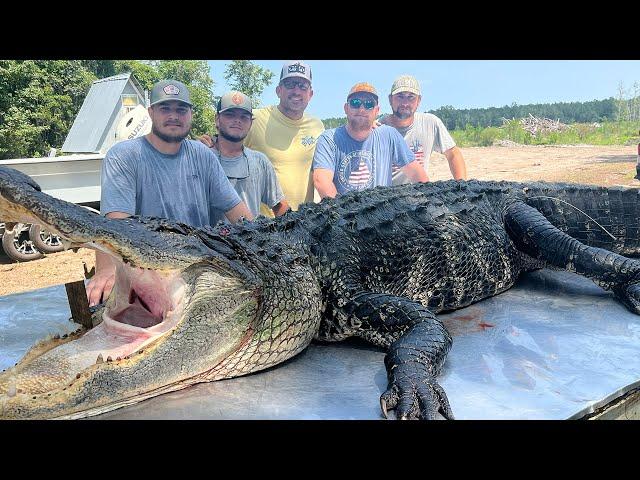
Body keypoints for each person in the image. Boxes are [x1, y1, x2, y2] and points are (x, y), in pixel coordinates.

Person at [86, 79, 253, 307]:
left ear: (190, 114)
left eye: (181, 109)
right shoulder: (124, 156)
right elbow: (115, 225)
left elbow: (237, 211)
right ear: (151, 112)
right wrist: (107, 269)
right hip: (146, 269)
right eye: (165, 108)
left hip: (197, 273)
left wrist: (260, 248)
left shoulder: (203, 156)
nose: (174, 116)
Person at [312, 82, 428, 198]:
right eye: (355, 103)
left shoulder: (389, 135)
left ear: (377, 111)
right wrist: (342, 212)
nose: (362, 109)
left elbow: (416, 173)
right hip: (344, 213)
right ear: (346, 108)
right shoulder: (329, 139)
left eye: (369, 104)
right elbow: (321, 181)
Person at [243, 61, 325, 214]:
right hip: (261, 225)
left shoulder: (317, 126)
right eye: (290, 84)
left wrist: (376, 124)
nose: (296, 91)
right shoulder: (254, 119)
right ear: (278, 90)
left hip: (302, 224)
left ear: (310, 94)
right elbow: (226, 146)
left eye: (303, 86)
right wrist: (209, 142)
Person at [208, 90, 289, 218]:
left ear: (251, 123)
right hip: (208, 237)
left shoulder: (260, 162)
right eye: (230, 115)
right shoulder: (201, 158)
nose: (237, 120)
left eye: (244, 117)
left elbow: (279, 205)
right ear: (217, 119)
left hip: (250, 236)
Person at [380, 74, 468, 185]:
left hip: (419, 192)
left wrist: (462, 187)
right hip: (386, 196)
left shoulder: (430, 123)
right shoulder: (379, 128)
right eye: (400, 96)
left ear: (419, 100)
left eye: (411, 97)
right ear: (390, 99)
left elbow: (453, 154)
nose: (405, 103)